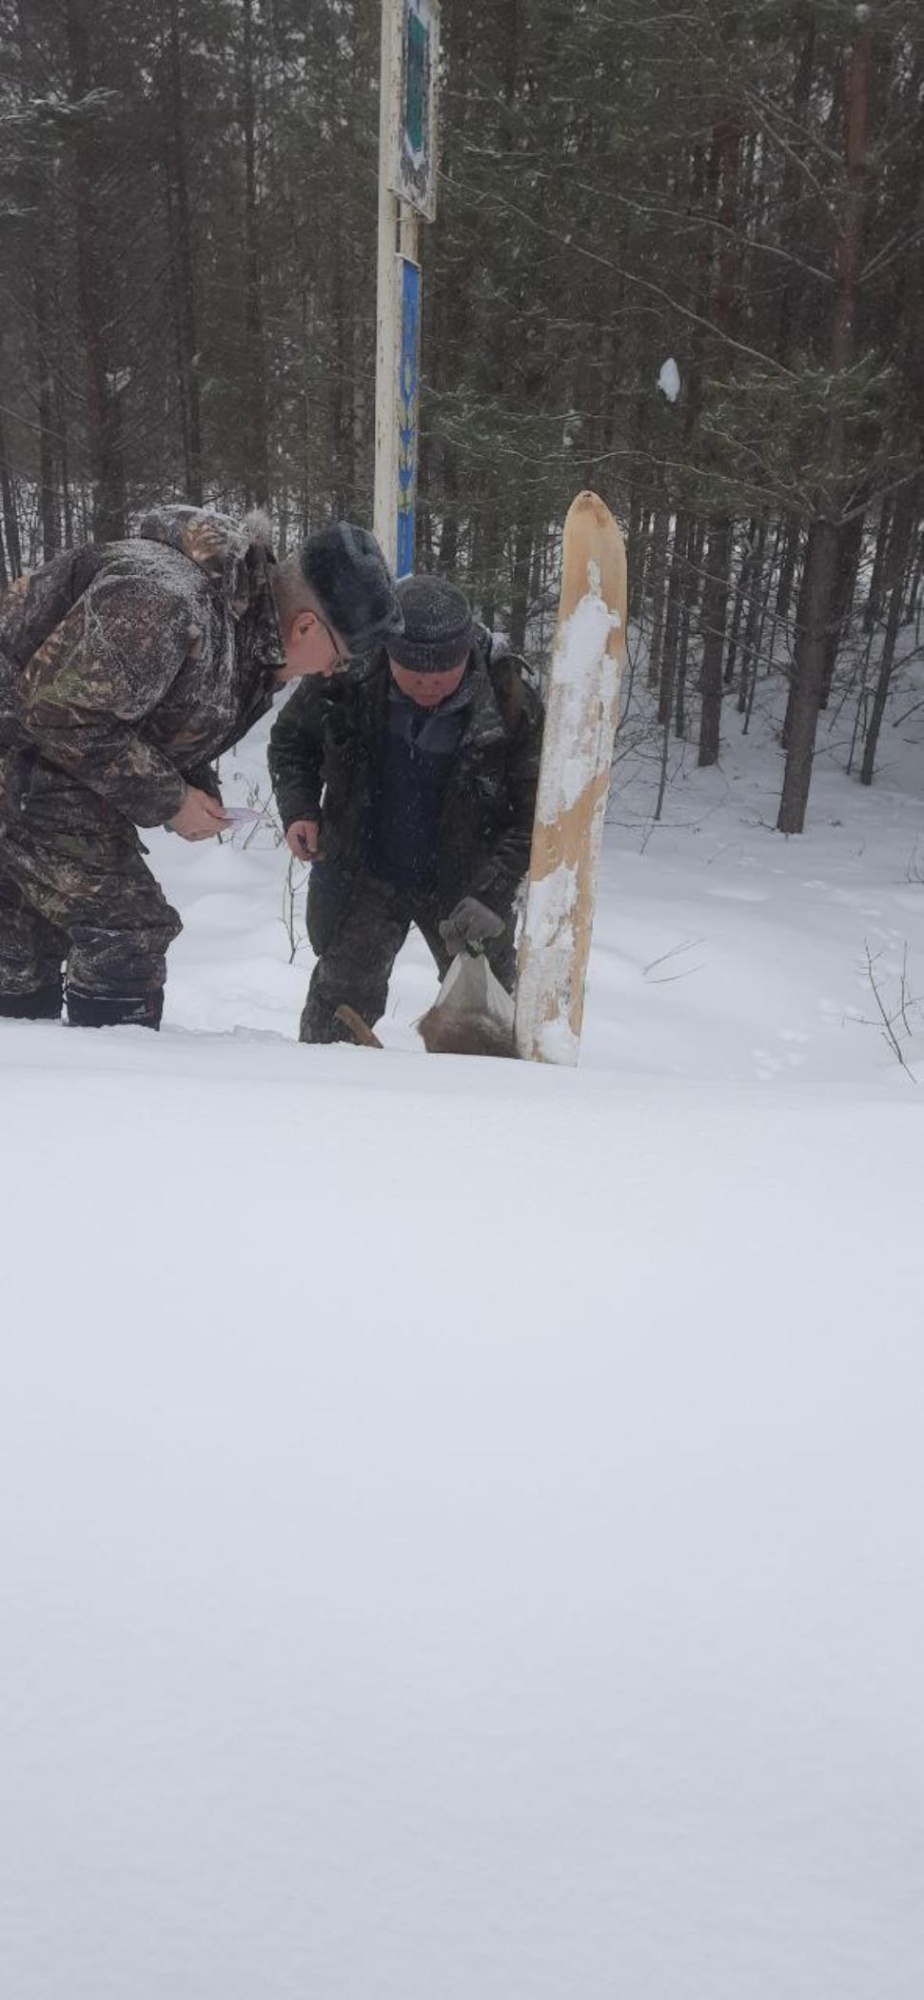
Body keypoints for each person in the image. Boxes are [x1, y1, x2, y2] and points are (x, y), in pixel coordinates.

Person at [0, 509, 402, 1028]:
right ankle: (114, 1072)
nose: (330, 672)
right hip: (24, 762)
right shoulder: (163, 601)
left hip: (45, 769)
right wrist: (171, 800)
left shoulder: (247, 634)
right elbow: (57, 712)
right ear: (306, 625)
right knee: (124, 932)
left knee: (25, 937)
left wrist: (194, 784)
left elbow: (160, 713)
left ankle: (35, 1058)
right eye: (339, 658)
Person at [268, 573, 544, 1044]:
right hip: (366, 871)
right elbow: (292, 741)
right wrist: (300, 809)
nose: (428, 687)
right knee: (336, 1013)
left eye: (442, 676)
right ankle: (324, 1086)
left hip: (469, 886)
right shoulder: (345, 672)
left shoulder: (509, 699)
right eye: (414, 675)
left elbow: (534, 816)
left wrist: (494, 894)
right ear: (388, 655)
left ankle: (487, 1092)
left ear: (466, 658)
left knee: (487, 1021)